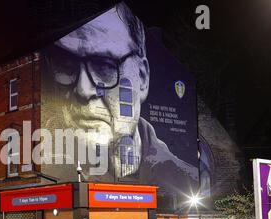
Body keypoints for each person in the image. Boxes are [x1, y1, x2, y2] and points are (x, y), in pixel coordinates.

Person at [42, 3, 198, 197]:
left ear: (142, 77)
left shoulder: (185, 183)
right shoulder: (44, 172)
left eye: (104, 66)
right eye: (65, 63)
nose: (83, 89)